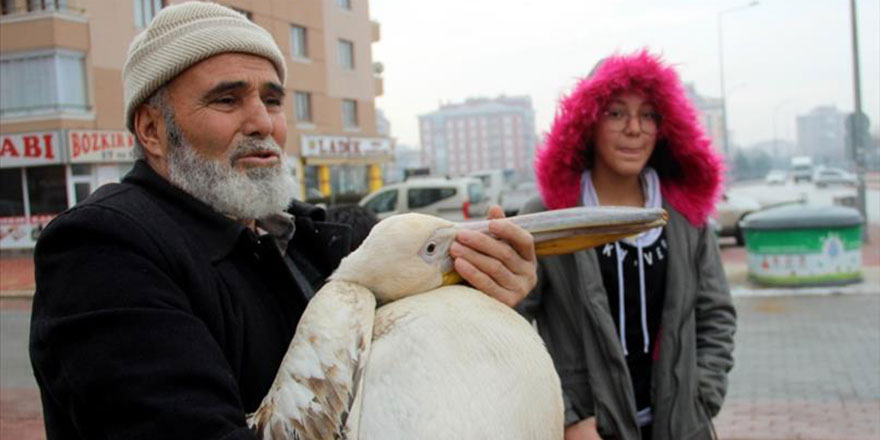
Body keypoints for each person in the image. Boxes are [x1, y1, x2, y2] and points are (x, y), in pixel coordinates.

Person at [28, 3, 537, 439]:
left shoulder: (323, 237)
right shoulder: (102, 248)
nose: (263, 123)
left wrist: (476, 290)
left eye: (272, 100)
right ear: (153, 130)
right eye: (227, 99)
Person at [517, 50, 736, 440]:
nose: (635, 129)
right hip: (588, 430)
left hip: (681, 426)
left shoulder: (685, 215)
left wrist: (701, 396)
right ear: (587, 121)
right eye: (616, 113)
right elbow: (511, 328)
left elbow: (715, 314)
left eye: (649, 114)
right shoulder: (550, 216)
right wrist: (566, 415)